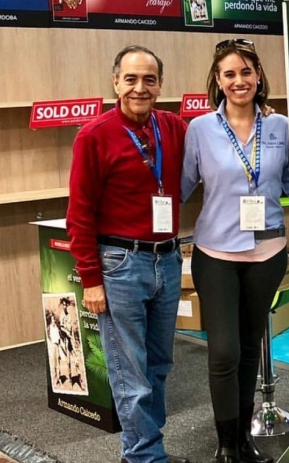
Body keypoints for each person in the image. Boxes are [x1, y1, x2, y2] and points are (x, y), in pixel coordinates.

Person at [67, 45, 189, 463]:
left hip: (168, 261)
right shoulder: (94, 135)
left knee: (158, 367)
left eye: (149, 79)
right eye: (131, 79)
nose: (140, 87)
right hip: (119, 265)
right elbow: (79, 214)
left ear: (160, 85)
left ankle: (145, 451)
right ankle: (144, 457)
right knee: (130, 373)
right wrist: (91, 280)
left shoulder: (172, 128)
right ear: (115, 82)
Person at [181, 38, 289, 463]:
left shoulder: (280, 127)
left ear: (259, 76)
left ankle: (244, 441)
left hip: (268, 251)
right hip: (216, 253)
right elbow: (181, 186)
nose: (239, 80)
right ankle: (226, 446)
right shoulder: (200, 129)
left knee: (248, 349)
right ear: (218, 80)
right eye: (230, 74)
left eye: (246, 72)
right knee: (224, 350)